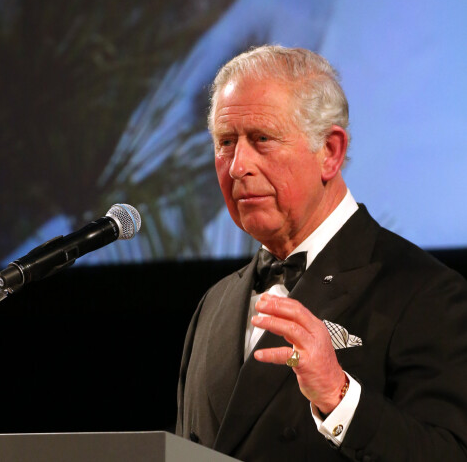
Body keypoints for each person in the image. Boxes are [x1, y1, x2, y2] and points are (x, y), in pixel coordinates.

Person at [176, 44, 467, 461]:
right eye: (225, 142)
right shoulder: (214, 304)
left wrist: (339, 396)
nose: (238, 165)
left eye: (261, 139)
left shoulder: (425, 292)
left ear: (329, 152)